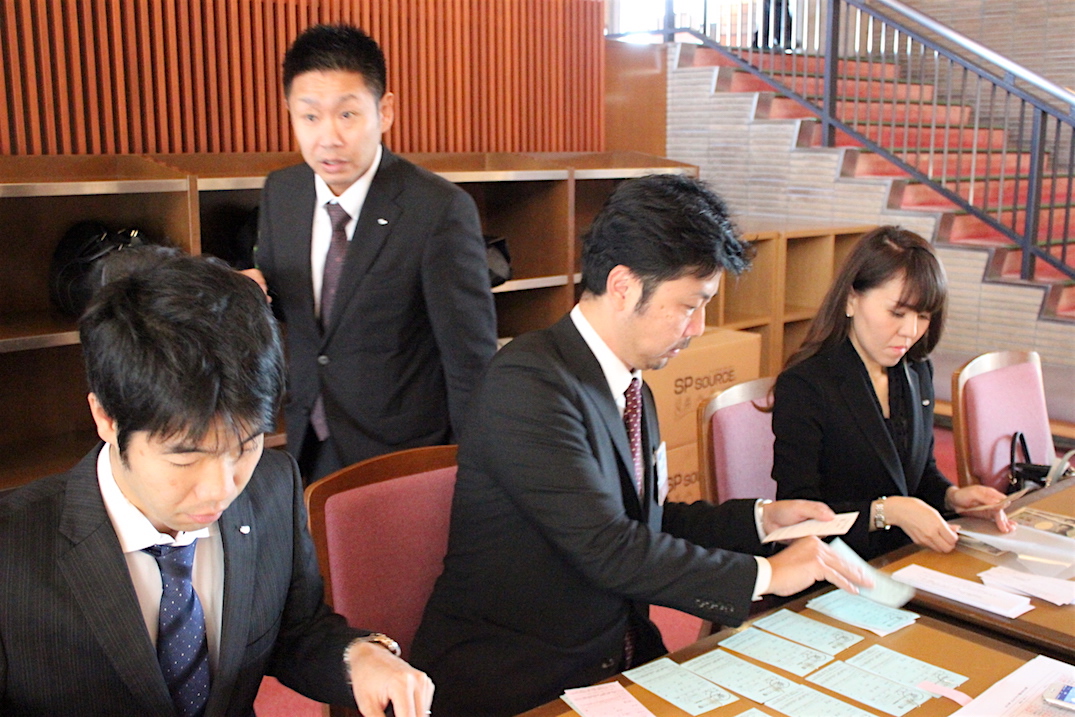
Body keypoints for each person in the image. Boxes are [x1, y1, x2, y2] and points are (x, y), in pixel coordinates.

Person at [409, 174, 870, 716]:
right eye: (690, 305)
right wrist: (770, 574)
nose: (697, 328)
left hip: (615, 659)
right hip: (522, 679)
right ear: (624, 286)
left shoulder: (632, 386)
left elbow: (644, 521)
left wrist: (763, 521)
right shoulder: (528, 384)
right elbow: (609, 547)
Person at [0, 253, 433, 717]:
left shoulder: (272, 487)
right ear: (106, 417)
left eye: (245, 446)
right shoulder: (13, 548)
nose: (221, 489)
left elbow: (295, 631)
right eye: (186, 456)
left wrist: (358, 658)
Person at [241, 24, 497, 483]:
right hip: (307, 438)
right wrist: (254, 292)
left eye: (347, 114)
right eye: (310, 116)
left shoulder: (437, 210)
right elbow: (300, 310)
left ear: (385, 111)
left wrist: (474, 477)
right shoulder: (283, 192)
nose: (329, 137)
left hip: (401, 453)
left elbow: (469, 361)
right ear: (290, 113)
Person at [772, 226, 1015, 560]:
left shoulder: (916, 371)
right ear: (851, 299)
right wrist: (886, 512)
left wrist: (951, 497)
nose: (910, 331)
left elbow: (918, 474)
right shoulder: (805, 385)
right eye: (897, 313)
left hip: (907, 557)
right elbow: (798, 517)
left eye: (923, 316)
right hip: (837, 567)